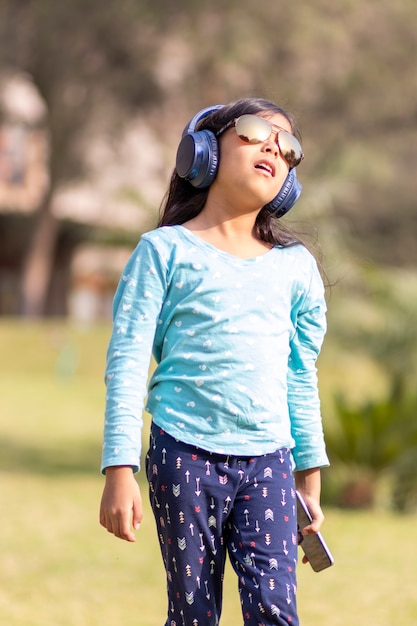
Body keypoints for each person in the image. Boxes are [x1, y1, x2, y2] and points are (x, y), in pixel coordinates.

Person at [99, 97, 329, 626]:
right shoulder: (163, 253)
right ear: (202, 151)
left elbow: (300, 374)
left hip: (268, 461)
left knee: (275, 612)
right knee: (193, 612)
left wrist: (309, 483)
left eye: (288, 146)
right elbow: (128, 363)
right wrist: (119, 469)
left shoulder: (295, 269)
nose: (274, 145)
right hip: (183, 451)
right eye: (254, 132)